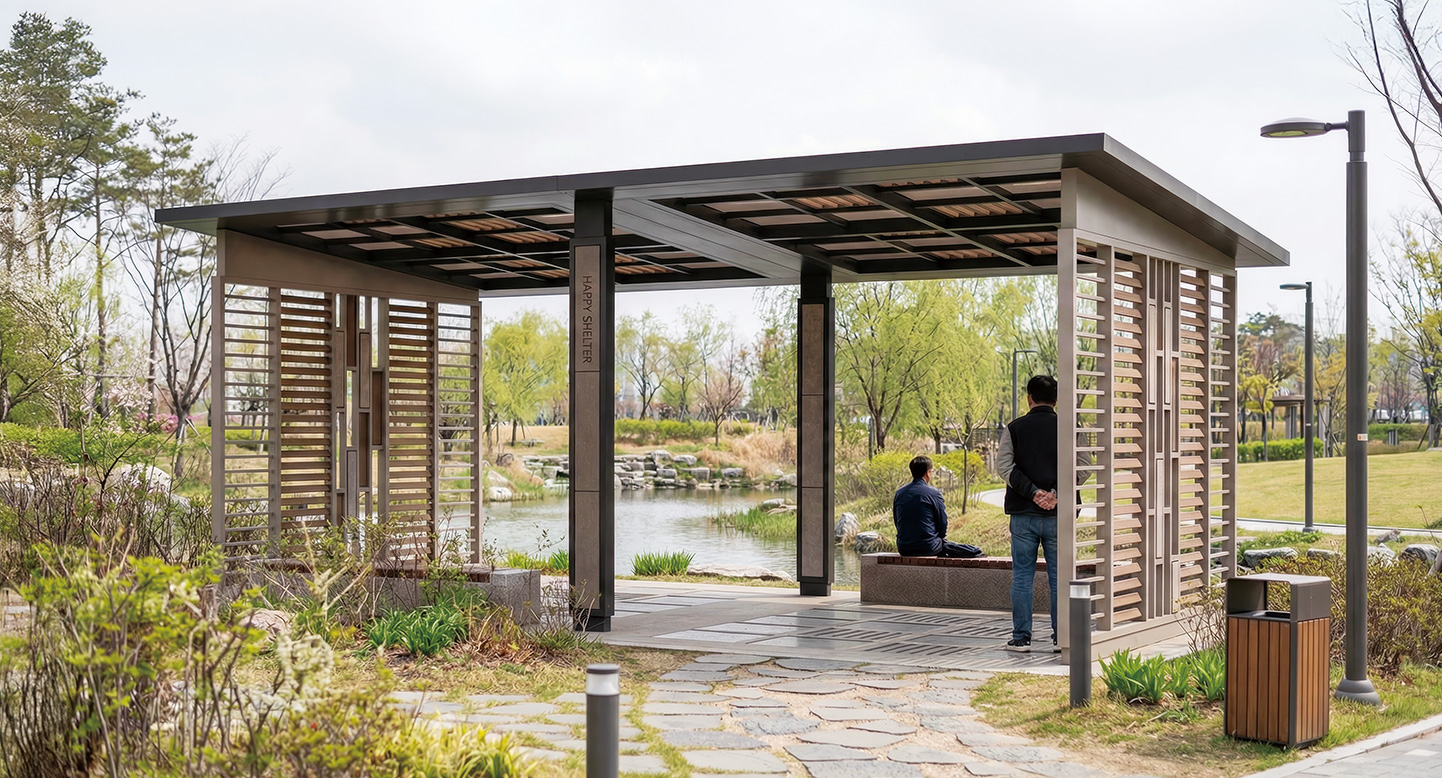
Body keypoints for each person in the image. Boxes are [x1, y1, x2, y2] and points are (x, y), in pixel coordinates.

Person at [998, 375, 1060, 653]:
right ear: (1056, 399)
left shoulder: (1014, 428)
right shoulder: (1070, 427)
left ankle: (1021, 637)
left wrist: (1034, 493)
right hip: (1060, 516)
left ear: (1029, 398)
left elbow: (1004, 467)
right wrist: (1055, 494)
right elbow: (1083, 465)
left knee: (1022, 576)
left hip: (1023, 514)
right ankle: (1062, 637)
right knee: (1059, 578)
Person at [892, 455, 983, 558]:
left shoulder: (899, 493)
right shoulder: (933, 493)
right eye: (932, 471)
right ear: (927, 472)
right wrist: (939, 538)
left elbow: (897, 521)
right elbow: (942, 523)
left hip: (904, 548)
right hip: (928, 547)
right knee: (968, 550)